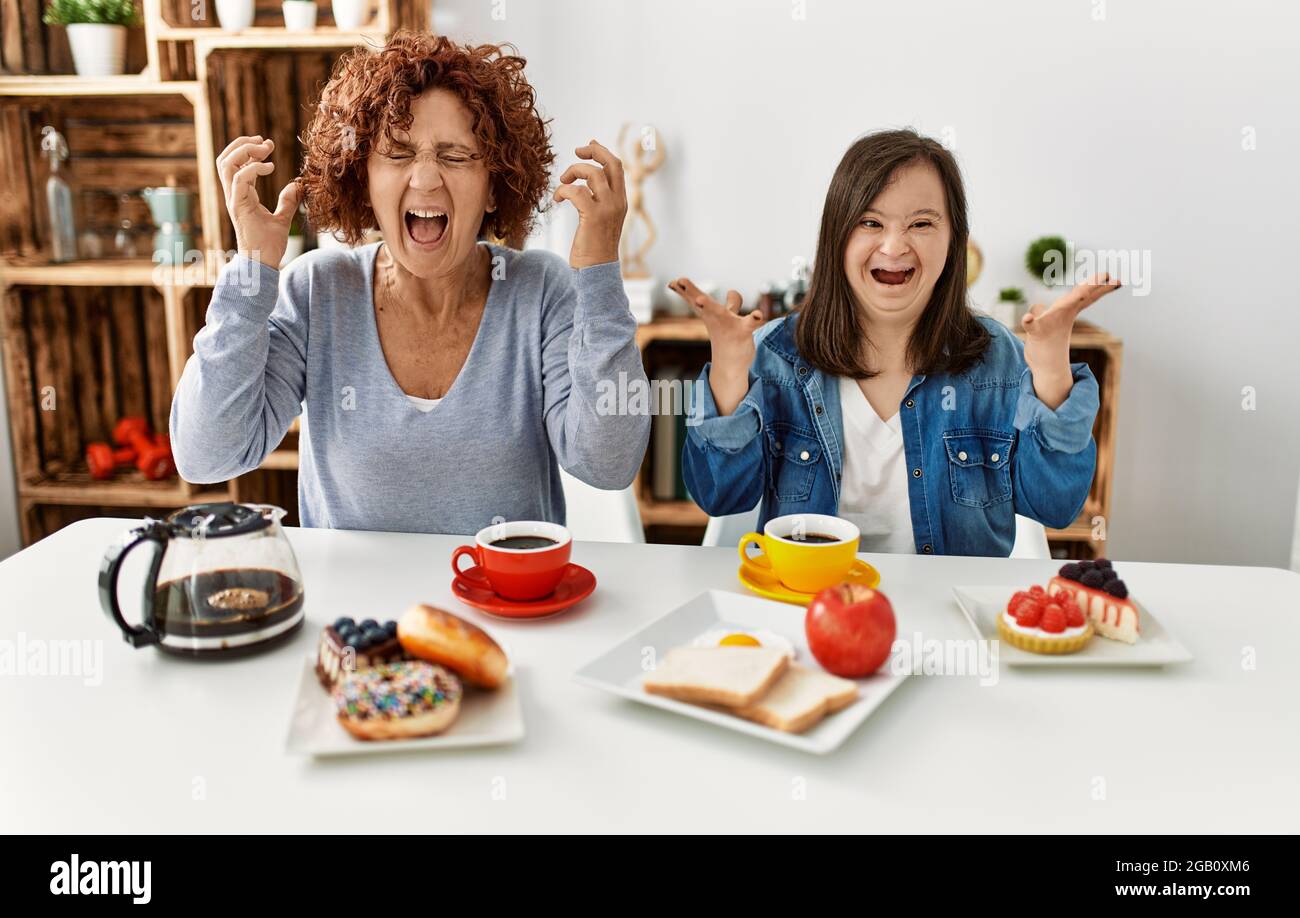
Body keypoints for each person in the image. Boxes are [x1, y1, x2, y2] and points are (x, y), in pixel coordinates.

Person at [170, 32, 649, 534]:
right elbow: (207, 456)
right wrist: (251, 271)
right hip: (357, 610)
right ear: (364, 180)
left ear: (493, 187)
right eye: (397, 154)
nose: (425, 179)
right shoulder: (318, 291)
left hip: (508, 608)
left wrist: (598, 270)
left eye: (456, 156)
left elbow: (607, 463)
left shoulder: (540, 292)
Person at [672, 129, 1117, 556]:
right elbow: (718, 495)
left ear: (953, 241)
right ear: (836, 236)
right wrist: (730, 371)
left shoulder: (998, 359)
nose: (893, 246)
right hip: (808, 609)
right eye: (870, 222)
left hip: (949, 618)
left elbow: (1055, 507)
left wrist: (1052, 366)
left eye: (921, 224)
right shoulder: (775, 354)